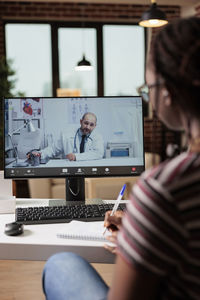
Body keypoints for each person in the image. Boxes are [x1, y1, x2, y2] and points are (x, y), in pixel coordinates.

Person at [42, 17, 200, 300]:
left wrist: (134, 244)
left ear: (166, 91)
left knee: (60, 264)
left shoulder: (164, 188)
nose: (148, 96)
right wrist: (144, 232)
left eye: (147, 88)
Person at [30, 112, 104, 161]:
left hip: (89, 170)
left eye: (91, 125)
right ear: (81, 121)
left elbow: (98, 153)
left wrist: (76, 157)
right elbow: (53, 149)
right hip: (71, 170)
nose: (88, 127)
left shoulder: (97, 137)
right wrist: (39, 154)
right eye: (86, 123)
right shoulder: (67, 134)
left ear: (95, 126)